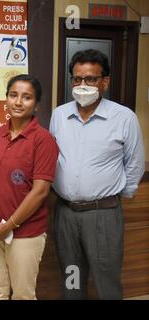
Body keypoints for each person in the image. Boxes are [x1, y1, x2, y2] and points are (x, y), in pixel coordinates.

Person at [49, 49, 145, 300]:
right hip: (65, 213)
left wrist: (112, 198)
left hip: (103, 214)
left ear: (105, 81)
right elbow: (52, 157)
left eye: (90, 79)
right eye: (77, 78)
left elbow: (134, 164)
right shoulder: (59, 115)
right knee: (71, 276)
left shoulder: (124, 118)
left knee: (106, 279)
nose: (83, 85)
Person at [0, 74, 59, 300]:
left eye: (26, 97)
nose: (18, 102)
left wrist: (9, 226)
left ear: (37, 105)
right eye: (13, 95)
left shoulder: (43, 140)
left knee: (23, 295)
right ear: (6, 99)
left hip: (24, 232)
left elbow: (40, 191)